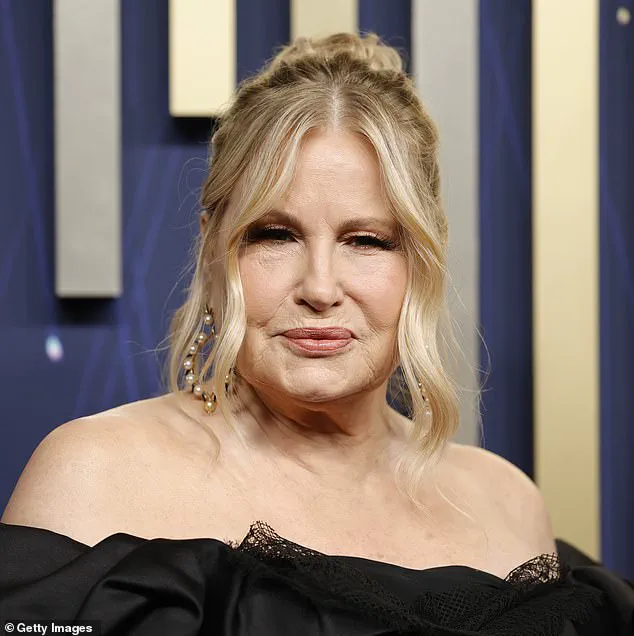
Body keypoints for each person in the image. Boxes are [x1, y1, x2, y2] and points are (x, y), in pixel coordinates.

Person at [0, 32, 632, 636]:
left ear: (422, 259)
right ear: (214, 248)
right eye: (275, 235)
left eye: (367, 241)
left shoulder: (508, 504)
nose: (320, 287)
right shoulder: (95, 477)